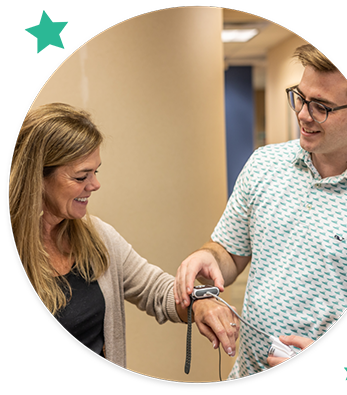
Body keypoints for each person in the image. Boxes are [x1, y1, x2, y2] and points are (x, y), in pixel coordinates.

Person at [174, 44, 347, 379]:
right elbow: (229, 252)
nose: (302, 114)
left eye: (322, 107)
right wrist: (208, 257)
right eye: (300, 98)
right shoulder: (265, 165)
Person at [9, 103, 239, 370]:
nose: (95, 185)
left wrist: (200, 302)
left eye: (96, 172)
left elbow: (156, 290)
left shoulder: (99, 237)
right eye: (82, 176)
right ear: (37, 177)